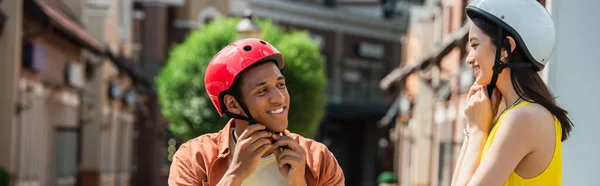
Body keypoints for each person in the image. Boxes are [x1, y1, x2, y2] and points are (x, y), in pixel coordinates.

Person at [168, 38, 345, 186]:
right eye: (262, 91)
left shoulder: (319, 159)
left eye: (280, 85)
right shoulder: (193, 158)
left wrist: (299, 183)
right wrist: (235, 174)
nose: (279, 98)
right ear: (233, 104)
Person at [451, 0, 573, 185]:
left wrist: (477, 131)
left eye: (475, 45)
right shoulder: (513, 115)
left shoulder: (524, 118)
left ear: (506, 48)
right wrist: (474, 128)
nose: (469, 59)